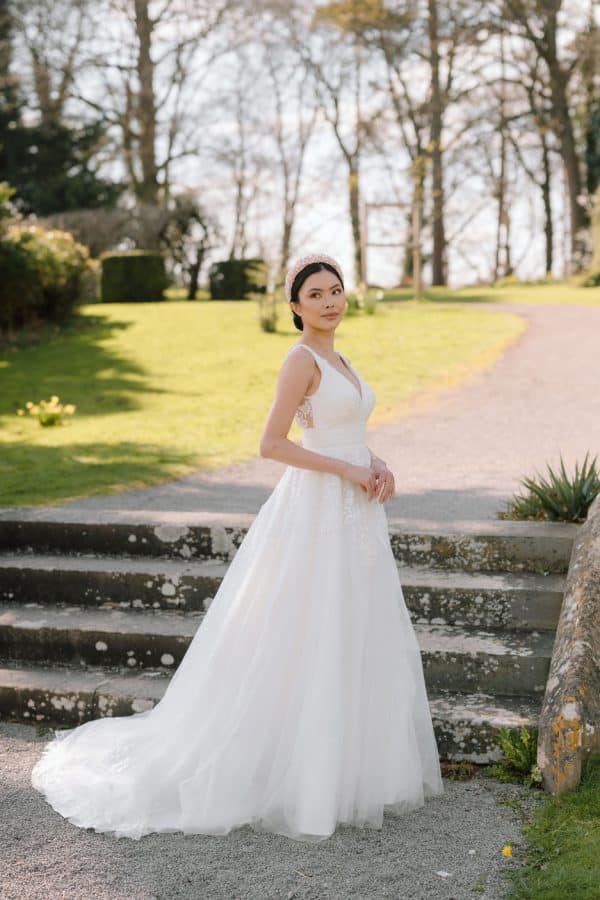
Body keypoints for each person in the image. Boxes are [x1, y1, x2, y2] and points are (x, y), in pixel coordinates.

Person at [31, 252, 444, 843]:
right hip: (317, 508)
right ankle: (292, 775)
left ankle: (347, 770)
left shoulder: (340, 357)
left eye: (336, 290)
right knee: (306, 625)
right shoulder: (299, 359)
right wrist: (346, 471)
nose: (330, 301)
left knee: (353, 626)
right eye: (317, 294)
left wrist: (376, 463)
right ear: (296, 306)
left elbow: (346, 432)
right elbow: (272, 443)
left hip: (356, 510)